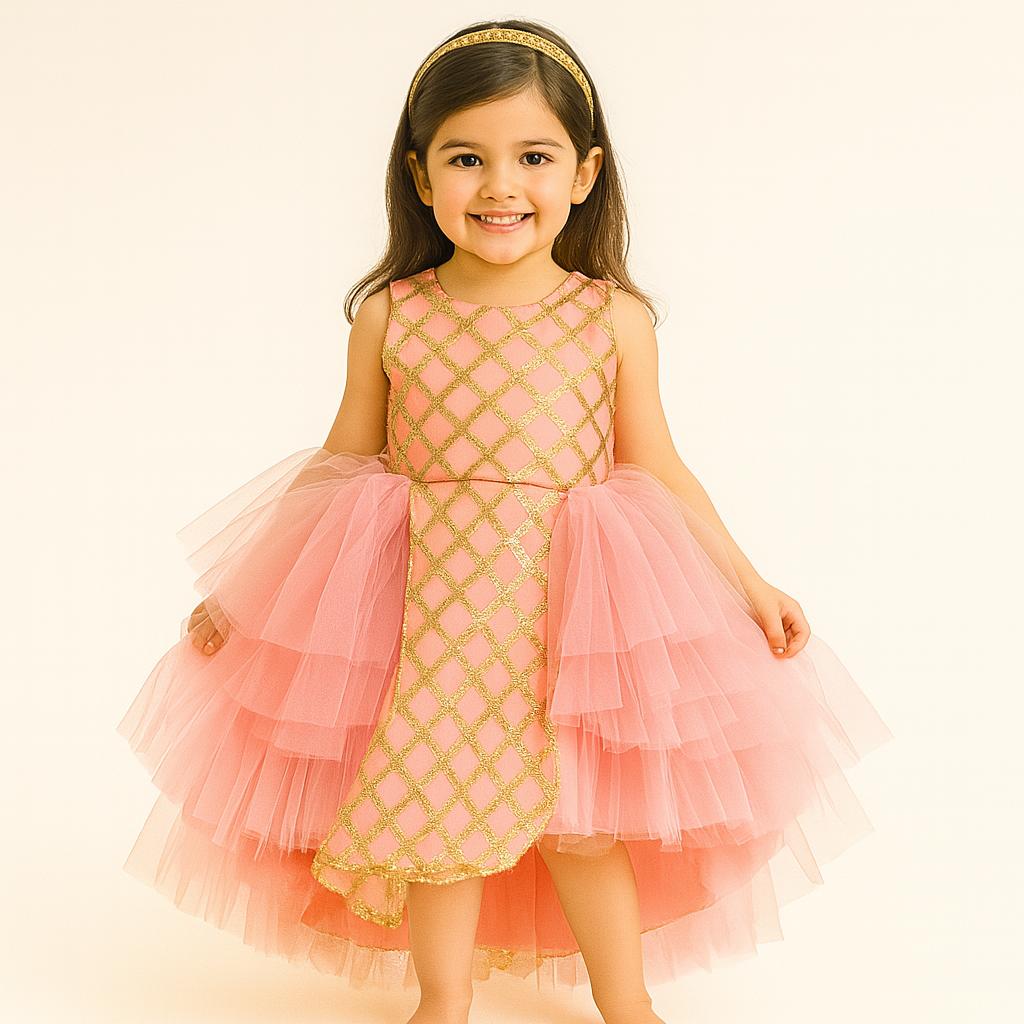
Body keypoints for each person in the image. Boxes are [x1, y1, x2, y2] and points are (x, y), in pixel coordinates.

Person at [117, 19, 894, 1024]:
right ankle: (443, 1001)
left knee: (582, 821)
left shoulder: (611, 318)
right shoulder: (393, 313)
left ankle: (626, 1003)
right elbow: (341, 459)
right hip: (430, 611)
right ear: (419, 174)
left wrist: (749, 583)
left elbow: (656, 466)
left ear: (584, 173)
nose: (499, 186)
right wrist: (245, 592)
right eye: (465, 158)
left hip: (574, 617)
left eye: (533, 157)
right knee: (433, 802)